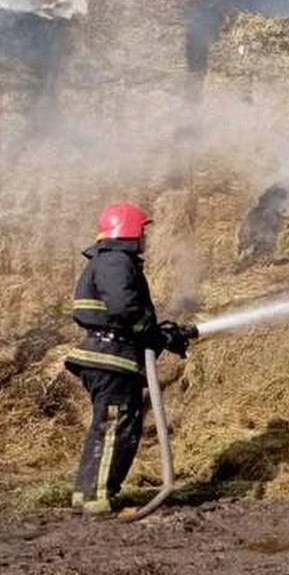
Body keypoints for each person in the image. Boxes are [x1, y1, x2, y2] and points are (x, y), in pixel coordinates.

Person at [64, 203, 198, 515]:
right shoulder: (115, 260)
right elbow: (124, 307)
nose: (144, 239)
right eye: (143, 232)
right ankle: (96, 498)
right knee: (113, 428)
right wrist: (151, 333)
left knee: (111, 427)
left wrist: (161, 334)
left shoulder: (110, 260)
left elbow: (128, 313)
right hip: (111, 357)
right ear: (129, 231)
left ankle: (88, 494)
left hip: (113, 355)